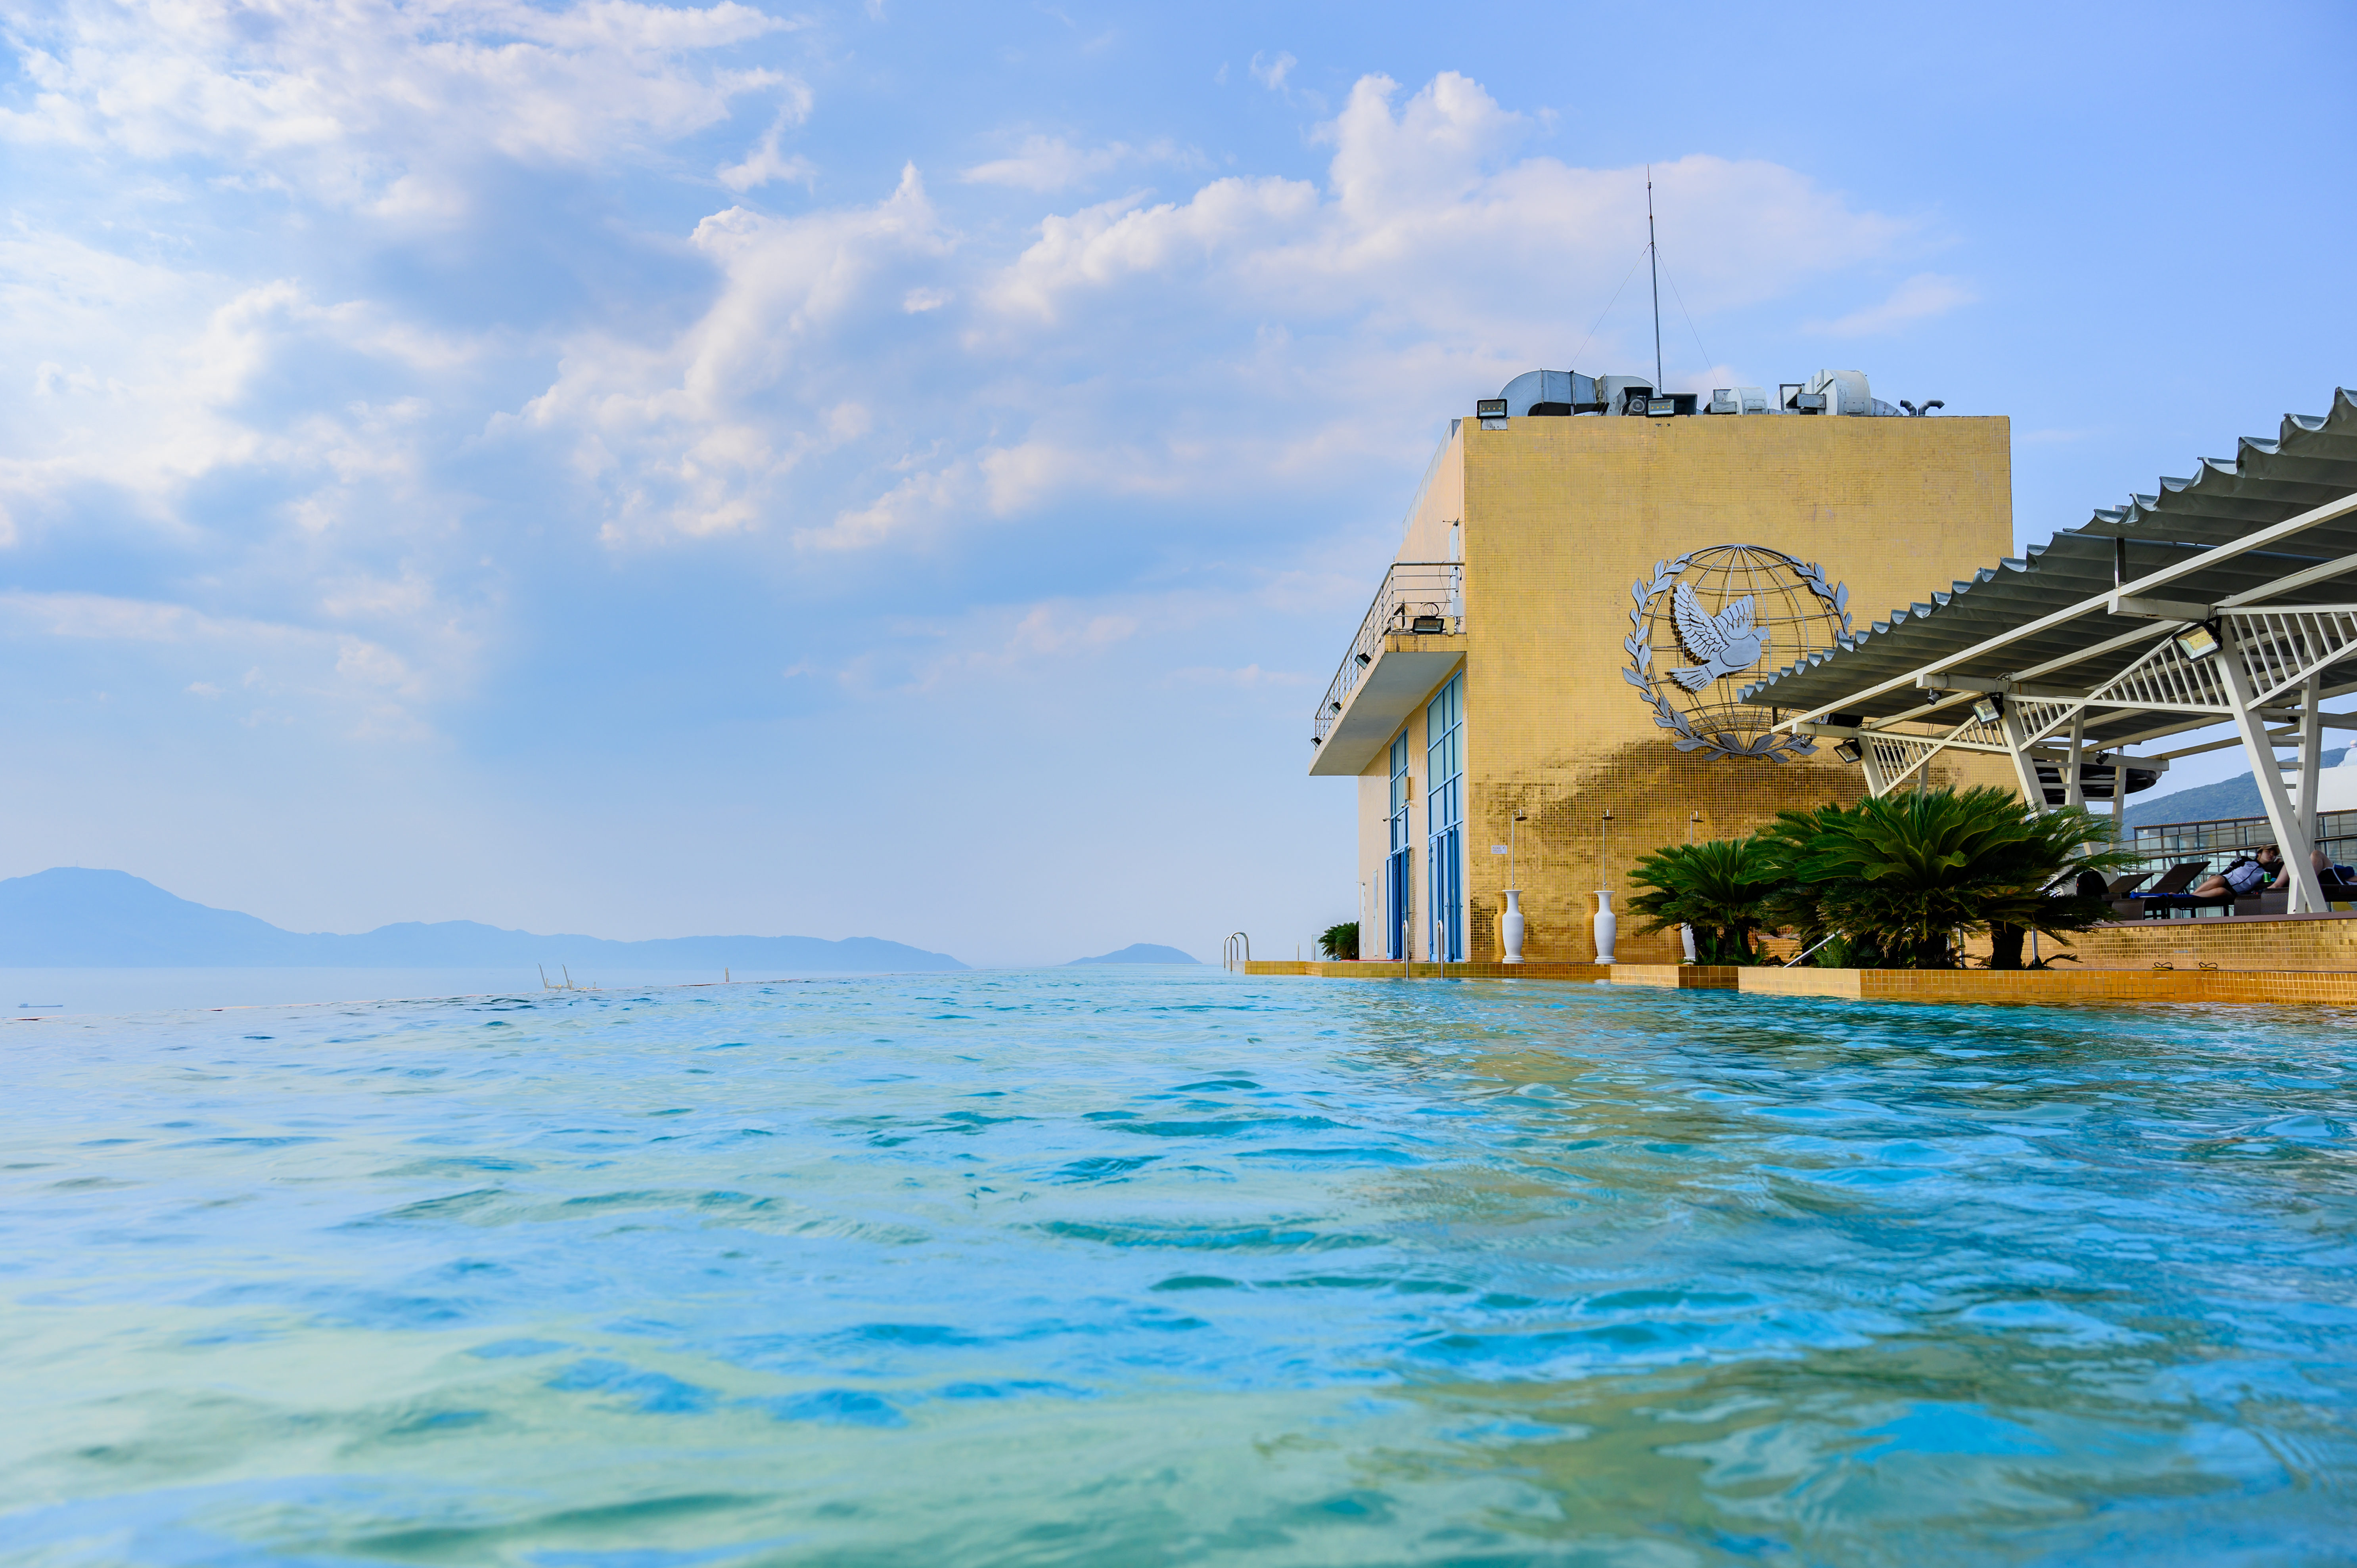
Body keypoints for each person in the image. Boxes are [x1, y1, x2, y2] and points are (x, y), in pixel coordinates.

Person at [2190, 844, 2280, 900]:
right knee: (2218, 880)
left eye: (2274, 855)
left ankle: (2191, 897)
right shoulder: (2245, 860)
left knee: (2221, 891)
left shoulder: (2267, 872)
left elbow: (2284, 870)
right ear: (2259, 853)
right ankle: (2191, 896)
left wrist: (2280, 864)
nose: (2271, 855)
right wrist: (2214, 878)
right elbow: (2228, 870)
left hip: (2234, 891)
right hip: (2226, 880)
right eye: (2268, 852)